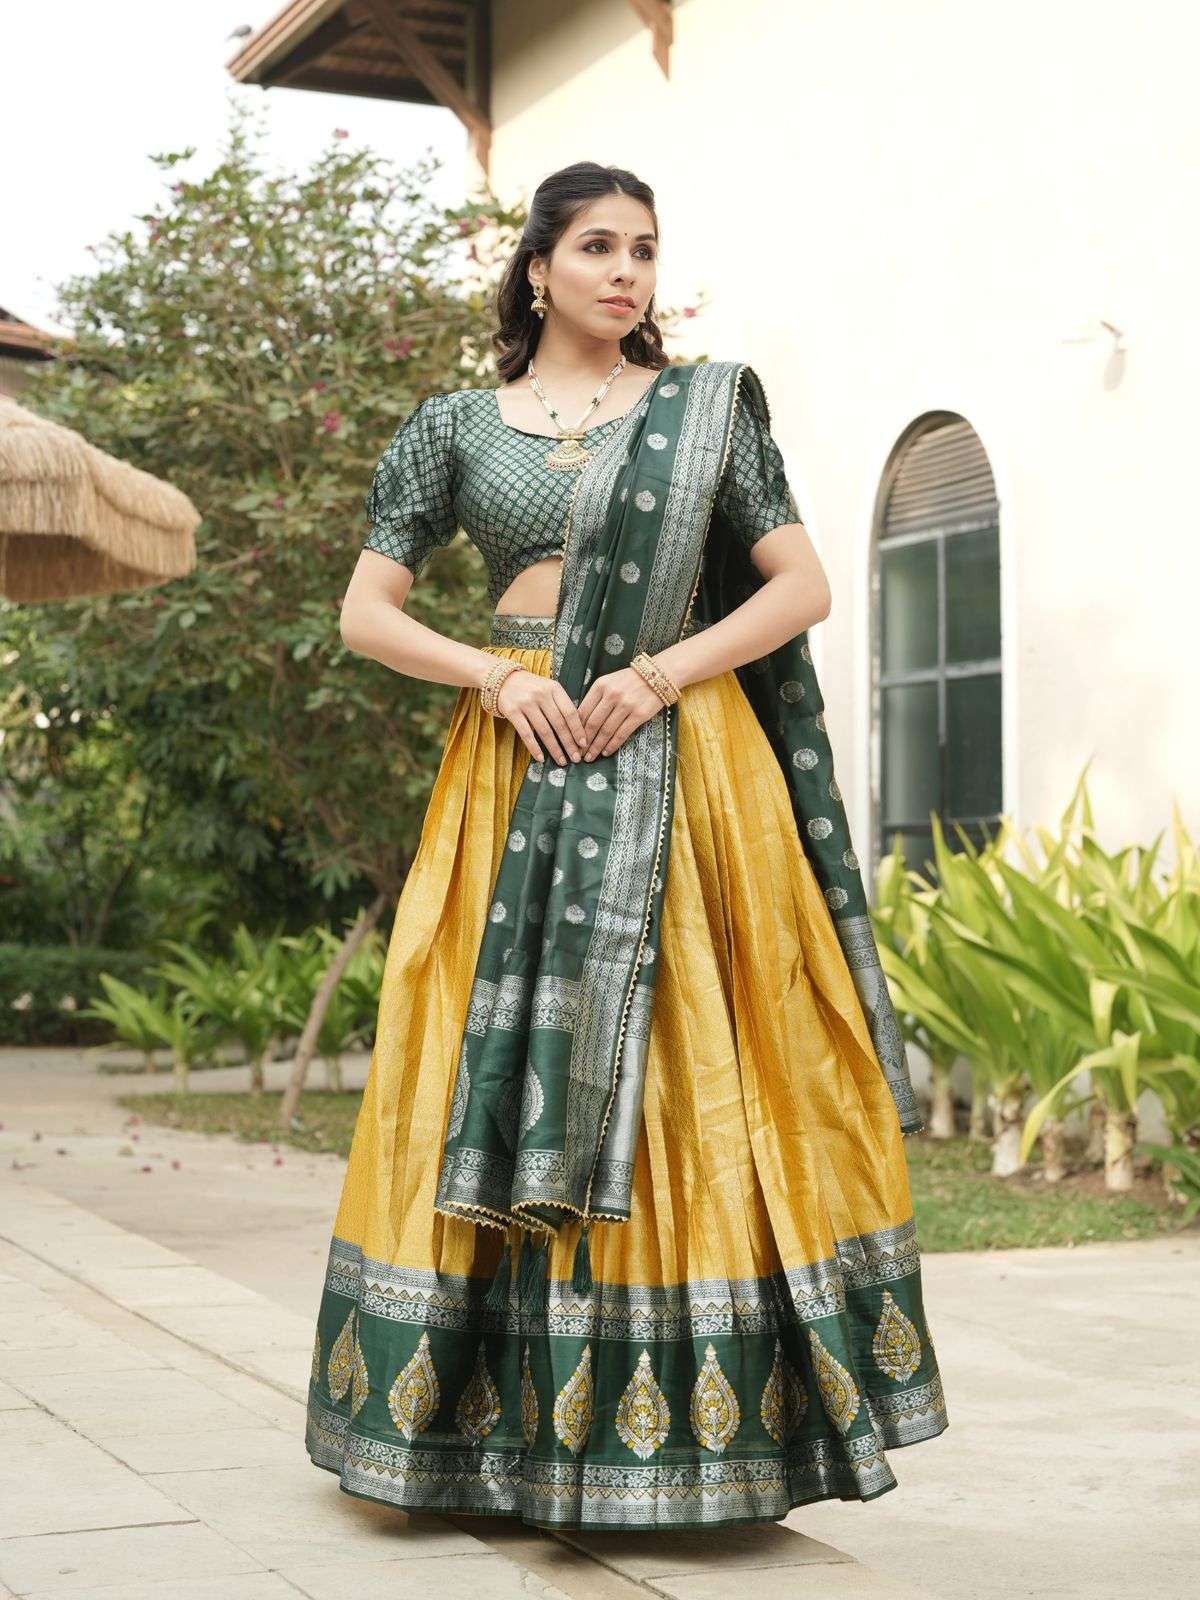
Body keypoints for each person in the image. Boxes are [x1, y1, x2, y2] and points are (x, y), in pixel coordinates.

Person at [310, 160, 948, 1532]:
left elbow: (802, 587)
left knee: (688, 1055)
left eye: (644, 251)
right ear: (537, 266)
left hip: (683, 757)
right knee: (489, 1053)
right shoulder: (452, 427)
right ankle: (479, 1428)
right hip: (520, 757)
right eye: (597, 247)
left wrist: (659, 675)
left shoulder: (704, 411)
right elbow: (368, 613)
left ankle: (707, 1435)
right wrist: (495, 676)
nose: (625, 272)